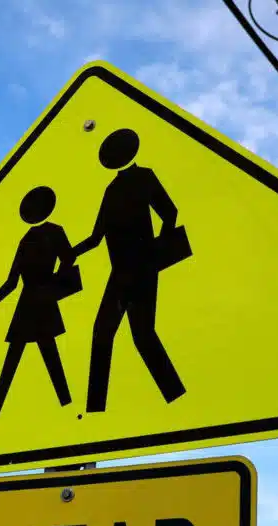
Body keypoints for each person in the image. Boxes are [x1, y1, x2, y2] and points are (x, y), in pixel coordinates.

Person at [72, 127, 189, 414]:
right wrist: (70, 254)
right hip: (120, 272)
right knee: (103, 333)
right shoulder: (111, 190)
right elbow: (96, 237)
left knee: (142, 335)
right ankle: (96, 409)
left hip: (142, 268)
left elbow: (169, 212)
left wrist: (156, 252)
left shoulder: (144, 176)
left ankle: (177, 400)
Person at [0, 185, 79, 418]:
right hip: (30, 304)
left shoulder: (51, 232)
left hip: (38, 301)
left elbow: (68, 259)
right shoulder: (27, 239)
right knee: (20, 356)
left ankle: (67, 406)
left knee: (48, 354)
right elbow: (12, 282)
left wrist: (54, 284)